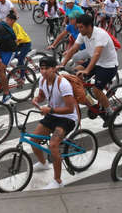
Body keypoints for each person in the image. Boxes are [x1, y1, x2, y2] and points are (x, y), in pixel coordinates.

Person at [59, 14, 118, 125]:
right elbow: (73, 49)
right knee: (74, 76)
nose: (79, 29)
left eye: (81, 27)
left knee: (96, 90)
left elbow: (96, 54)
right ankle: (91, 101)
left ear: (89, 26)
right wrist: (62, 64)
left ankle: (109, 112)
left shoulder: (101, 35)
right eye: (78, 27)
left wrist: (87, 71)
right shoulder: (83, 34)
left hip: (108, 65)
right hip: (95, 63)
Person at [29, 56, 78, 189]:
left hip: (67, 118)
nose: (44, 71)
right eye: (41, 68)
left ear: (54, 68)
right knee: (33, 140)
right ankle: (43, 163)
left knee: (53, 146)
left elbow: (70, 108)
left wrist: (50, 109)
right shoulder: (42, 80)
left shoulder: (63, 84)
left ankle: (58, 181)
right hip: (52, 114)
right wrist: (36, 99)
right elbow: (42, 95)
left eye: (47, 68)